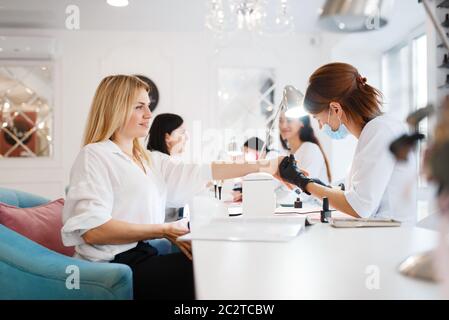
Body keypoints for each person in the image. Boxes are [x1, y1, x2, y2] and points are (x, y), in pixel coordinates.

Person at [61, 75, 281, 300]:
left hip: (141, 254)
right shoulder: (95, 155)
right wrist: (163, 230)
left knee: (214, 263)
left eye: (148, 106)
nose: (148, 114)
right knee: (209, 272)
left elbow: (201, 171)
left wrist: (265, 166)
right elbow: (93, 231)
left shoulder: (147, 159)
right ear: (115, 109)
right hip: (112, 266)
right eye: (139, 107)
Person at [279, 62, 417, 223]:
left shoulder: (379, 130)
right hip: (385, 233)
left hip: (390, 239)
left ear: (335, 109)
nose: (321, 125)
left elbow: (360, 207)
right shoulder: (379, 128)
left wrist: (303, 182)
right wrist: (322, 187)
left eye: (318, 118)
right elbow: (360, 192)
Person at [147, 113, 188, 222]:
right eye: (182, 132)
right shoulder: (157, 159)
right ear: (167, 137)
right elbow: (186, 183)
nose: (186, 138)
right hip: (159, 231)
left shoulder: (161, 158)